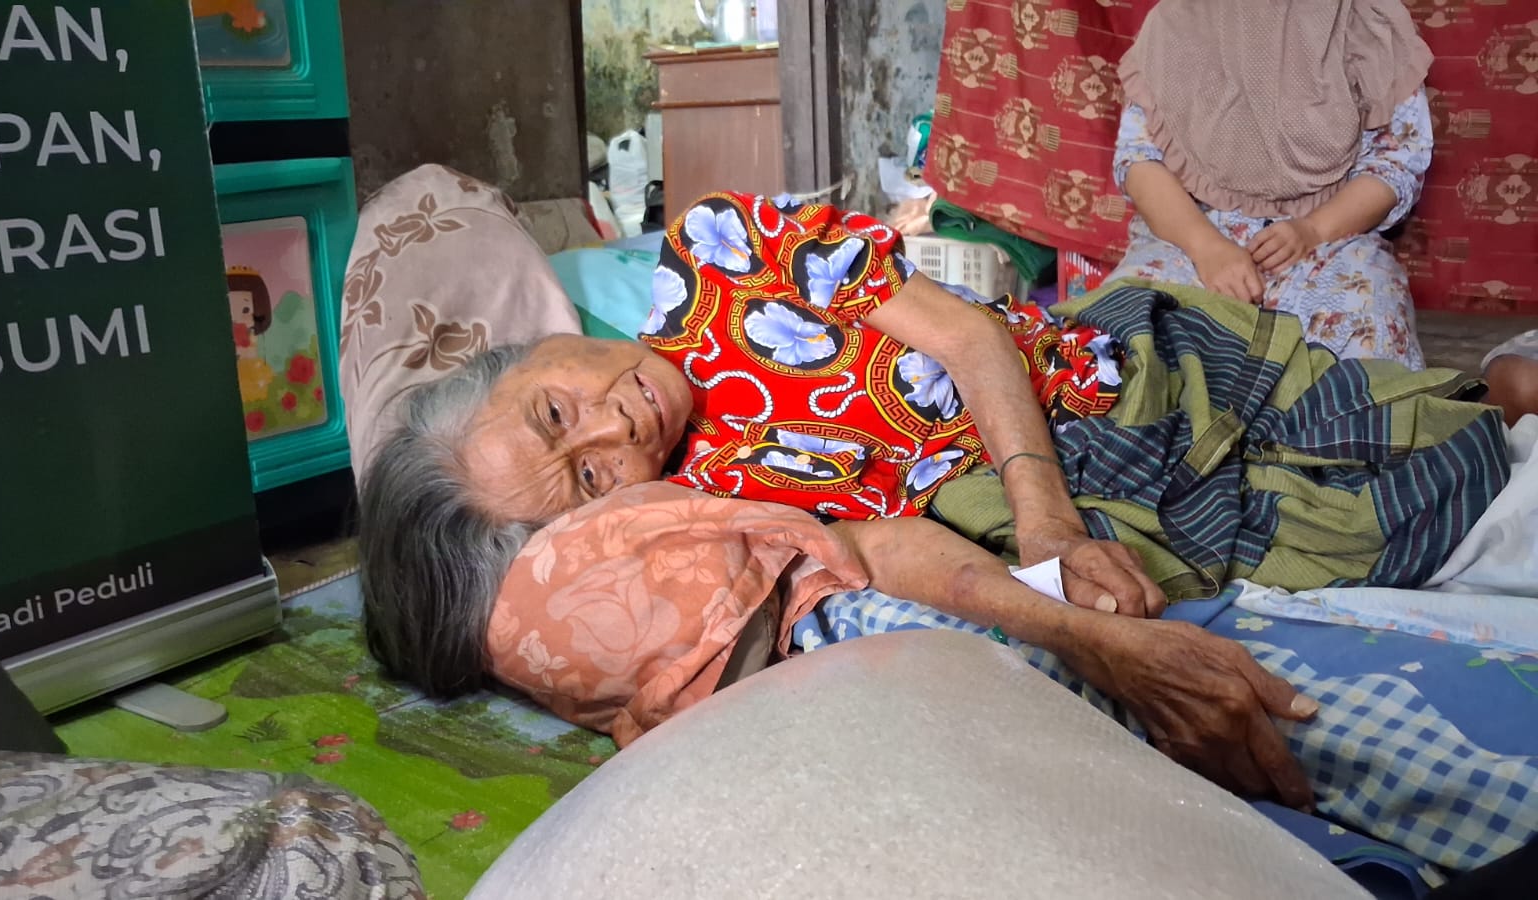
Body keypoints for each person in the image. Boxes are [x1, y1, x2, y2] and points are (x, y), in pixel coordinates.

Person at [356, 189, 1508, 812]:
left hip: (1102, 380)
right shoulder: (696, 509)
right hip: (1091, 492)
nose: (616, 430)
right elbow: (878, 547)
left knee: (1458, 427)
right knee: (1404, 520)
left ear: (527, 354)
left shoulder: (722, 255)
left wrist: (1044, 519)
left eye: (557, 412)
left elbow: (967, 338)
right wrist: (1069, 601)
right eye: (589, 478)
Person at [1109, 0, 1433, 367]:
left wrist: (1312, 231)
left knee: (1369, 346)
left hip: (1331, 241)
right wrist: (1207, 248)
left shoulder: (1368, 19)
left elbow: (1396, 161)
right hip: (1191, 237)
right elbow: (1139, 160)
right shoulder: (1175, 20)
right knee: (1120, 345)